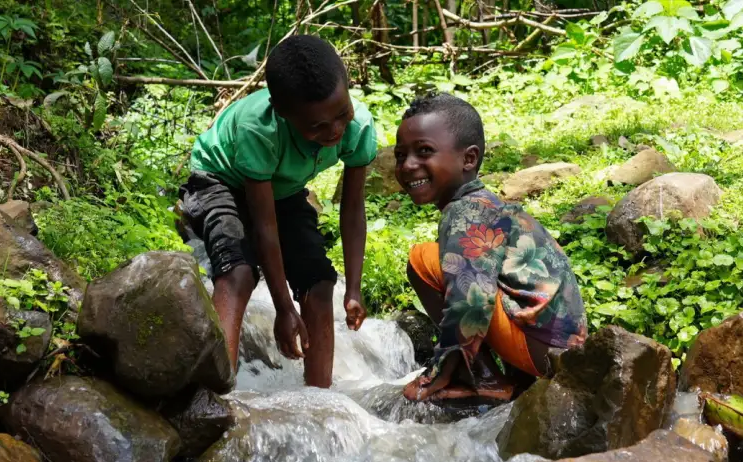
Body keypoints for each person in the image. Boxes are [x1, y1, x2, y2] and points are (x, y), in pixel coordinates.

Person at [180, 35, 372, 389]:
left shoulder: (357, 124)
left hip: (282, 189)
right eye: (316, 126)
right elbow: (264, 226)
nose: (335, 130)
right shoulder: (260, 128)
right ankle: (217, 398)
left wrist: (354, 289)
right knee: (237, 272)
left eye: (341, 114)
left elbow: (353, 208)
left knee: (319, 282)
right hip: (220, 179)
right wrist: (284, 309)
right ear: (284, 114)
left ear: (348, 90)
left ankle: (320, 399)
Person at [394, 93, 587, 402]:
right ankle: (507, 378)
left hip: (543, 354)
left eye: (424, 151)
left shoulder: (465, 211)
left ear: (468, 159)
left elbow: (471, 300)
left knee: (421, 259)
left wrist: (437, 373)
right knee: (446, 262)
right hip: (561, 352)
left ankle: (483, 379)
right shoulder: (486, 205)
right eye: (400, 155)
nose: (408, 165)